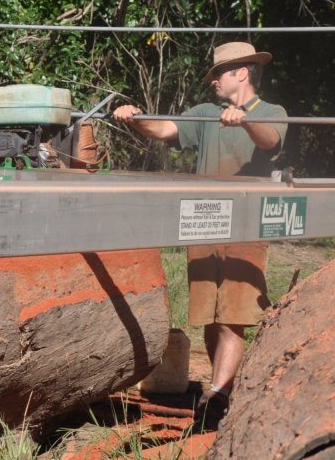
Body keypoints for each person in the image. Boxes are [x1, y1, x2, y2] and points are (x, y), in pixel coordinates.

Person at [112, 41, 287, 427]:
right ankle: (220, 388)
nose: (213, 81)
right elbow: (164, 128)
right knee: (210, 316)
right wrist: (136, 117)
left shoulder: (271, 113)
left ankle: (218, 396)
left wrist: (244, 120)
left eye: (219, 74)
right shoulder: (205, 113)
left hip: (247, 223)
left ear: (241, 73)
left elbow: (270, 140)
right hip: (204, 220)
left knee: (233, 317)